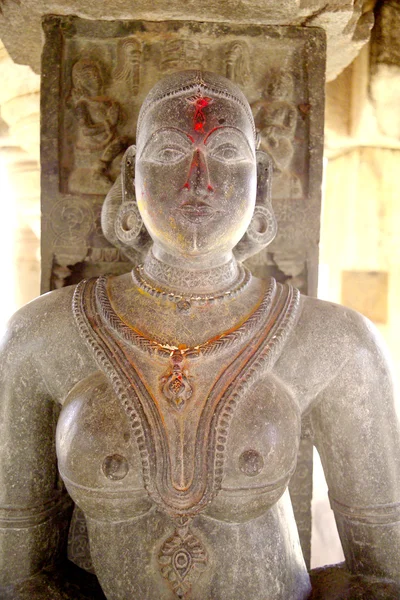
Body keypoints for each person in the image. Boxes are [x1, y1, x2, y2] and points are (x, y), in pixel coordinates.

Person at [0, 70, 399, 600]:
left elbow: (385, 574)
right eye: (168, 151)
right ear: (130, 176)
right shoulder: (40, 336)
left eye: (226, 152)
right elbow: (19, 573)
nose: (198, 179)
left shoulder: (335, 341)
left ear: (261, 176)